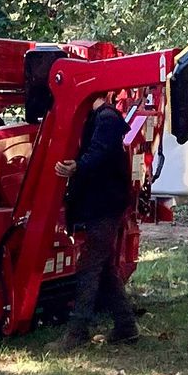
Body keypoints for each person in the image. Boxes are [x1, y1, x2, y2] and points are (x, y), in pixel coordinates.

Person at [62, 92, 139, 349]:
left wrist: (77, 167)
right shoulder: (99, 118)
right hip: (104, 205)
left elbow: (98, 154)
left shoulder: (105, 119)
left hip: (104, 206)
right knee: (104, 269)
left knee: (89, 266)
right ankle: (126, 326)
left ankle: (77, 331)